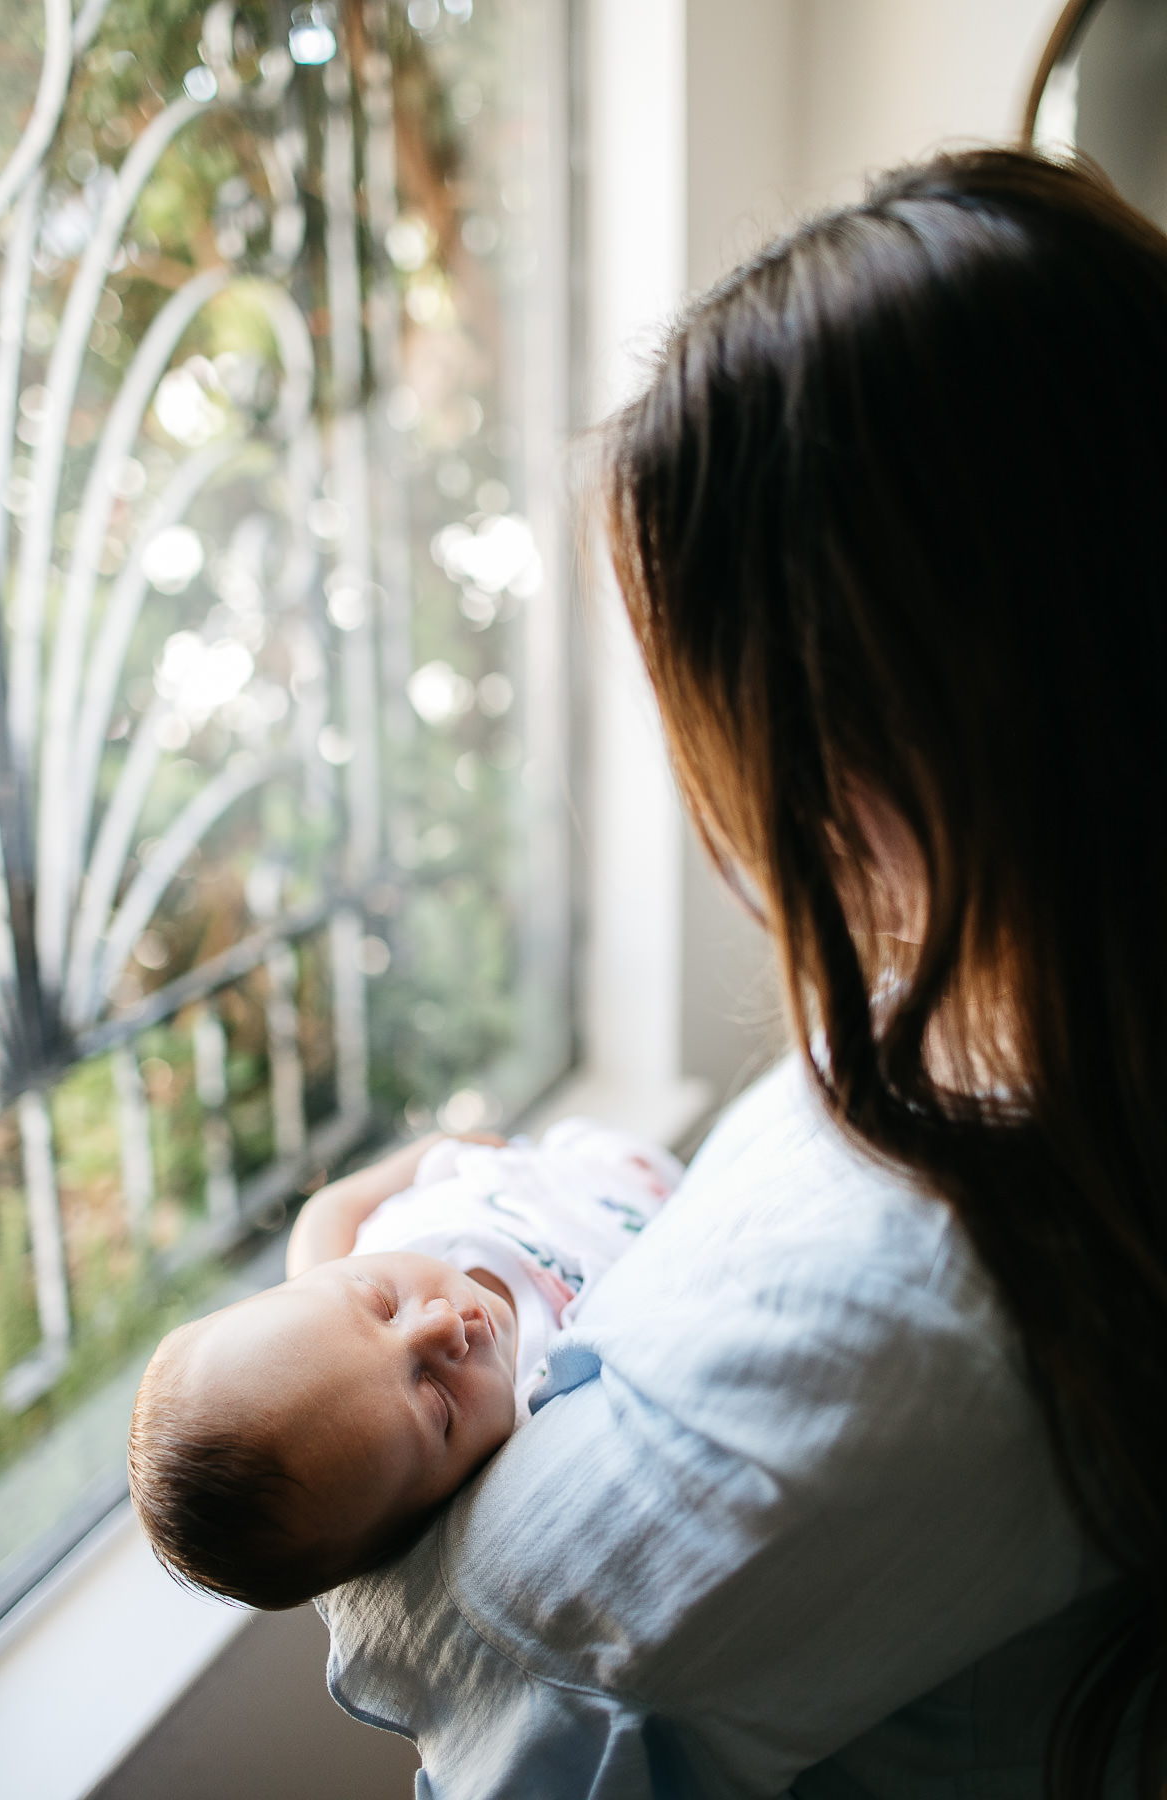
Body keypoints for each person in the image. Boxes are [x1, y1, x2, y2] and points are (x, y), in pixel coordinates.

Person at [317, 149, 1167, 1799]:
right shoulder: (1035, 991)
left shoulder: (937, 1291)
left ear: (877, 740)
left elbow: (480, 1646)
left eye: (708, 705)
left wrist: (321, 1307)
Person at [126, 1121, 680, 1608]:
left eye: (382, 1302)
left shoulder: (333, 1264)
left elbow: (328, 1209)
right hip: (668, 1200)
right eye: (438, 1404)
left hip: (564, 1157)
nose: (441, 1327)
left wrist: (440, 1147)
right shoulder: (539, 1401)